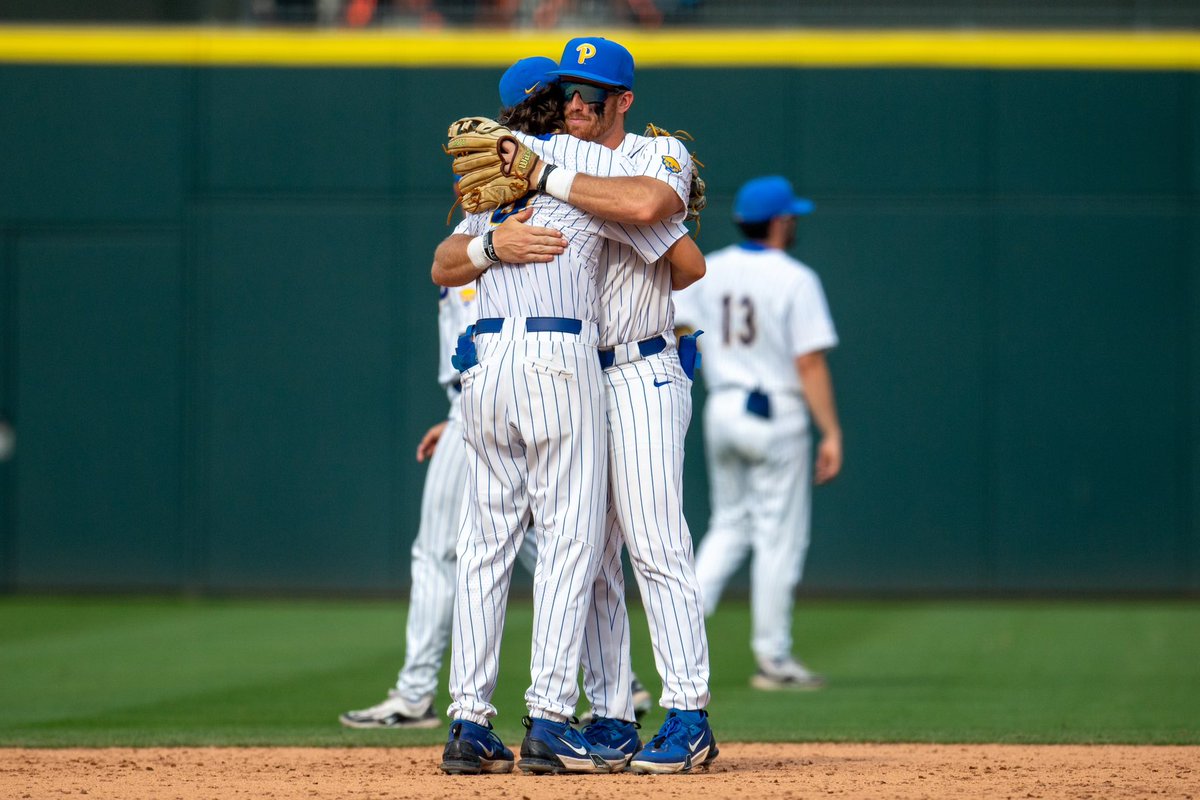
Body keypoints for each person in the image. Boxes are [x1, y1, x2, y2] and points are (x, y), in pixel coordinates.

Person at [444, 36, 717, 775]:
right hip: (567, 372)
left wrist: (556, 182)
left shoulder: (649, 157)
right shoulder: (542, 164)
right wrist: (506, 227)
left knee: (655, 539)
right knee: (590, 556)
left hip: (639, 367)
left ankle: (689, 712)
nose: (577, 103)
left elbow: (685, 258)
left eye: (591, 94)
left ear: (622, 101)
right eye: (569, 91)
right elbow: (449, 259)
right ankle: (611, 715)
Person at [337, 279, 538, 729]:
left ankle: (413, 694)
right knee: (541, 547)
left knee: (437, 552)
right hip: (494, 401)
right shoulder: (484, 232)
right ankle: (617, 679)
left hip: (480, 401)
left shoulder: (492, 232)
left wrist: (464, 416)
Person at [673, 174, 844, 691]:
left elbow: (679, 327)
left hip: (722, 407)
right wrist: (831, 431)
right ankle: (773, 658)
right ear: (780, 221)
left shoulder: (710, 268)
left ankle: (677, 641)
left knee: (728, 526)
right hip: (777, 412)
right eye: (791, 216)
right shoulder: (795, 277)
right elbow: (809, 361)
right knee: (778, 538)